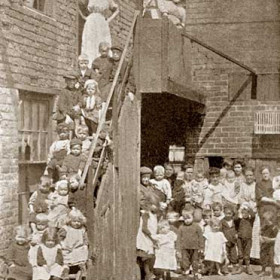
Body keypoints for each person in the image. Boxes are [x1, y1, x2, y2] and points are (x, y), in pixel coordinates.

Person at [81, 0, 119, 66]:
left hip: (101, 23)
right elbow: (80, 4)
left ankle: (102, 66)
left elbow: (117, 10)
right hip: (90, 22)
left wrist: (108, 20)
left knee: (101, 43)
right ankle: (89, 66)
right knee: (90, 43)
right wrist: (83, 16)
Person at [59, 209, 89, 278]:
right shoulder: (65, 228)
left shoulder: (82, 229)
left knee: (82, 255)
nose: (76, 223)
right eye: (74, 221)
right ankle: (65, 271)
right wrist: (61, 243)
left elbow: (85, 239)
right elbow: (59, 238)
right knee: (65, 260)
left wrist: (85, 245)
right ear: (69, 221)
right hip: (68, 248)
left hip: (78, 248)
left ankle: (82, 268)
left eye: (78, 221)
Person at [176, 212, 204, 279]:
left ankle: (195, 273)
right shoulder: (181, 227)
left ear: (193, 218)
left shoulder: (197, 226)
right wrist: (178, 249)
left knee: (195, 260)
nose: (187, 220)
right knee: (185, 261)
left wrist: (201, 247)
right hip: (185, 247)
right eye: (185, 219)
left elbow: (200, 237)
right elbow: (178, 238)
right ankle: (186, 272)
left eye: (189, 218)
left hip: (195, 247)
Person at [136, 203, 158, 280]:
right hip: (145, 239)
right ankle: (148, 274)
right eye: (153, 205)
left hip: (151, 238)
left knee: (149, 258)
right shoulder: (146, 215)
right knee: (145, 258)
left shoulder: (155, 216)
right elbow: (144, 228)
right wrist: (151, 236)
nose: (155, 207)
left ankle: (149, 274)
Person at [220, 205, 241, 274]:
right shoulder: (222, 221)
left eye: (230, 213)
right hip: (225, 241)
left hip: (233, 241)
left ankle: (234, 268)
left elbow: (238, 229)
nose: (228, 215)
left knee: (234, 255)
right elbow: (220, 230)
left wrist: (237, 234)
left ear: (232, 214)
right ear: (224, 213)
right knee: (225, 254)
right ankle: (225, 268)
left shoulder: (235, 221)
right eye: (226, 213)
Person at [234, 203, 255, 275]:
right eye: (243, 213)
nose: (244, 214)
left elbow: (253, 214)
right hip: (240, 239)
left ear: (248, 213)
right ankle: (240, 268)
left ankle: (248, 267)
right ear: (241, 213)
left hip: (248, 239)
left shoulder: (251, 220)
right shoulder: (239, 220)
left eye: (246, 213)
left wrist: (249, 206)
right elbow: (235, 216)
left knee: (247, 253)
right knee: (240, 254)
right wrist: (238, 208)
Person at [259, 210, 278, 277]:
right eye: (265, 221)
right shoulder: (264, 226)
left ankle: (272, 272)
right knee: (263, 257)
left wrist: (270, 240)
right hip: (264, 244)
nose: (266, 222)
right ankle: (263, 270)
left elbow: (277, 238)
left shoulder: (274, 228)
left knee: (271, 258)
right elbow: (260, 234)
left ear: (271, 220)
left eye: (267, 221)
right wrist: (261, 238)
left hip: (271, 245)